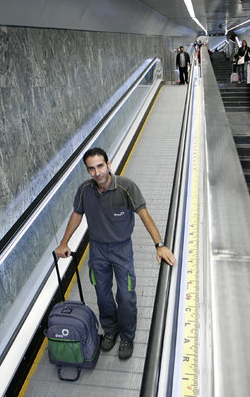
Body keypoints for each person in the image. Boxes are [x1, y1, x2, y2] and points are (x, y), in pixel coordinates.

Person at [55, 148, 176, 360]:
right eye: (91, 169)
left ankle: (127, 335)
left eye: (100, 166)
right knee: (102, 293)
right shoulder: (85, 190)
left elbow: (144, 214)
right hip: (98, 250)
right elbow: (77, 213)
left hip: (122, 249)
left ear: (108, 164)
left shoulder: (126, 187)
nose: (97, 172)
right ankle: (110, 330)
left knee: (126, 295)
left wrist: (160, 244)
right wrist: (64, 243)